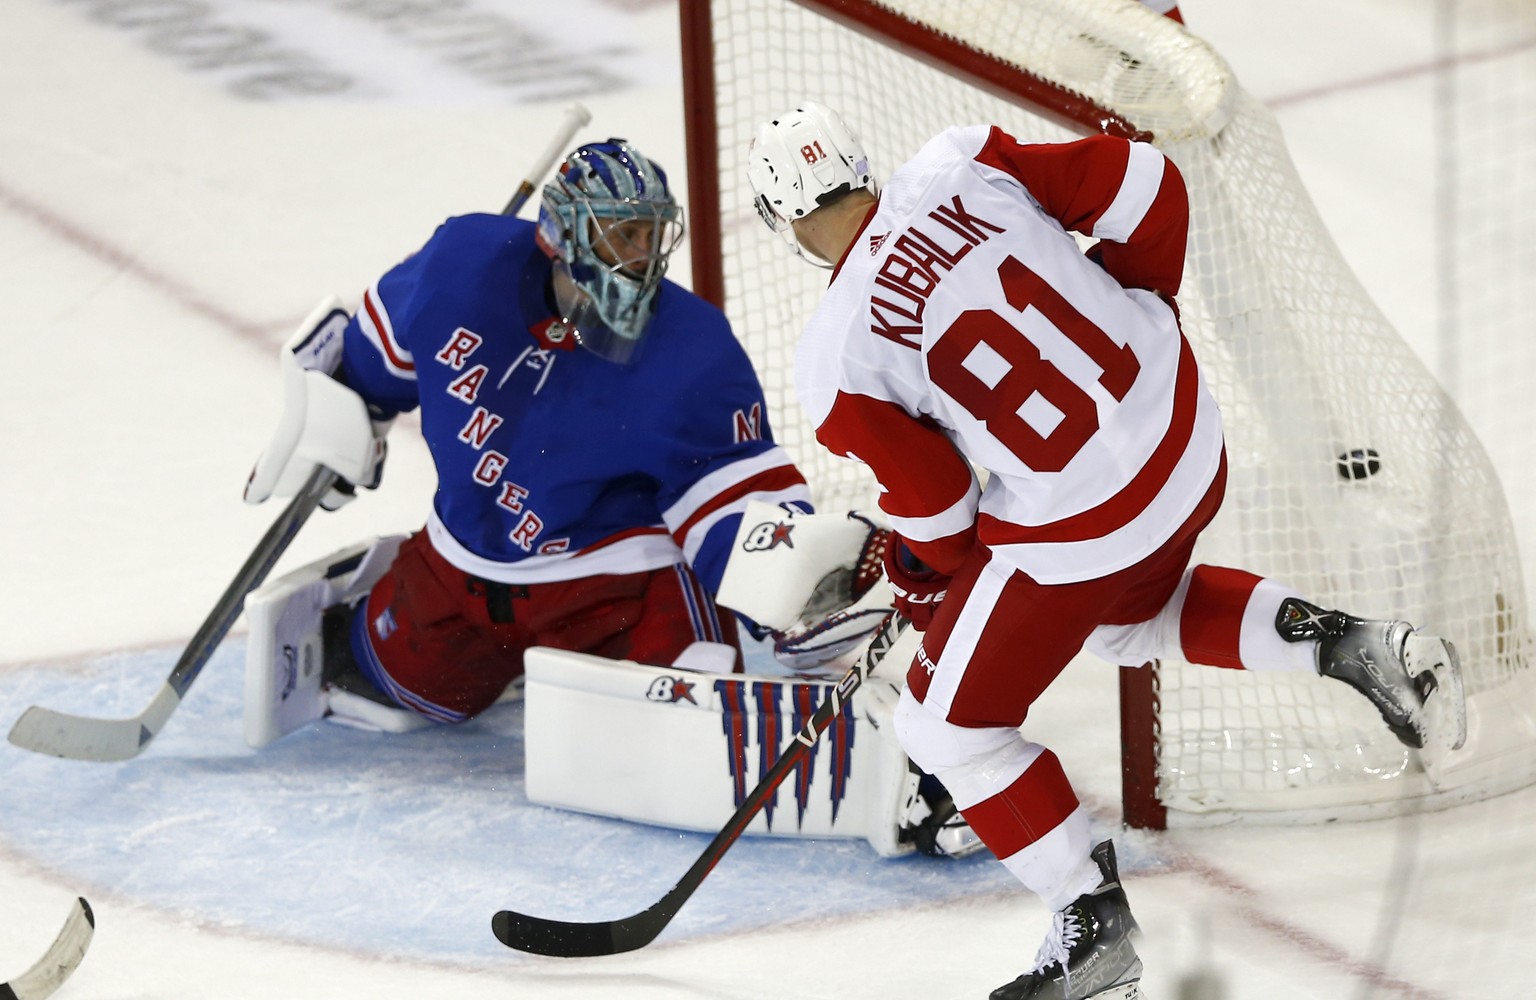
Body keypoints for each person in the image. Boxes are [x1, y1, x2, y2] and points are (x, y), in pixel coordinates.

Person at [744, 102, 1467, 1000]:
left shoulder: (837, 358)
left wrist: (919, 579)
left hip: (1085, 520)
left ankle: (1090, 924)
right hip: (1185, 431)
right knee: (1127, 621)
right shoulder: (961, 162)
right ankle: (1358, 645)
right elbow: (1148, 184)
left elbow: (936, 509)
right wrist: (1142, 308)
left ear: (785, 225)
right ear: (862, 166)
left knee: (942, 725)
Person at [243, 137, 830, 727]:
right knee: (369, 678)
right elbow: (374, 357)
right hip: (464, 567)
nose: (643, 257)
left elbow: (733, 509)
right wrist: (337, 417)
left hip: (609, 585)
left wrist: (799, 593)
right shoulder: (460, 268)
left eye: (652, 235)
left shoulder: (692, 350)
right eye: (622, 234)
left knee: (682, 727)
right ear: (560, 238)